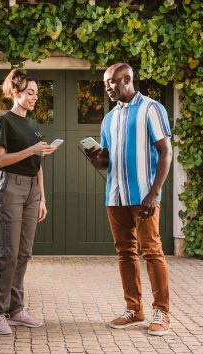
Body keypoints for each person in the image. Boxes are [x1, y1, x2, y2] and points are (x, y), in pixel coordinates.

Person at [85, 63, 172, 336]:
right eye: (105, 83)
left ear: (127, 79)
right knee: (125, 253)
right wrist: (95, 158)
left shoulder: (152, 108)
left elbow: (165, 152)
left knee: (152, 251)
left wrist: (153, 192)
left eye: (111, 82)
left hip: (143, 196)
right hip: (115, 195)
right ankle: (134, 309)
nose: (108, 87)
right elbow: (106, 160)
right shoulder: (108, 118)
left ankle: (162, 312)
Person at [0, 69, 57, 335]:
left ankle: (15, 310)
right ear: (16, 92)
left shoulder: (33, 124)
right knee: (9, 253)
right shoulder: (4, 122)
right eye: (30, 93)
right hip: (11, 188)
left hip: (31, 192)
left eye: (37, 94)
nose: (34, 98)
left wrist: (42, 198)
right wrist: (31, 149)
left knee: (25, 252)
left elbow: (37, 164)